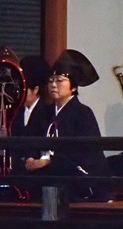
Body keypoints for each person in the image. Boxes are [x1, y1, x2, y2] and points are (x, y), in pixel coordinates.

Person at [24, 49, 111, 201]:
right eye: (51, 80)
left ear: (73, 87)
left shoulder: (83, 113)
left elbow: (84, 153)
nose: (53, 85)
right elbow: (32, 139)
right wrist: (30, 158)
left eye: (59, 80)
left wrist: (50, 161)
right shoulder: (43, 112)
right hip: (46, 173)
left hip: (75, 177)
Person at [11, 55, 51, 175]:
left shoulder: (47, 112)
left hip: (38, 173)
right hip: (17, 171)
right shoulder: (15, 111)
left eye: (24, 89)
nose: (20, 93)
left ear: (36, 89)